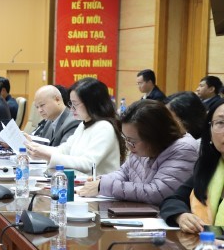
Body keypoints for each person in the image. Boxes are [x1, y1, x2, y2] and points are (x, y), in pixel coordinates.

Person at [77, 100, 197, 205]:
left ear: (155, 136)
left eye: (132, 141)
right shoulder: (142, 148)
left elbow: (157, 192)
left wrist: (104, 186)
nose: (128, 145)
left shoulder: (183, 149)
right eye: (125, 138)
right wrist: (100, 181)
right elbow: (124, 173)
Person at [26, 77, 125, 175]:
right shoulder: (83, 124)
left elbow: (88, 164)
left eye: (75, 104)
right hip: (82, 182)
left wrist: (47, 155)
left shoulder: (104, 127)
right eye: (70, 103)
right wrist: (33, 146)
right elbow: (64, 150)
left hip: (99, 184)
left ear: (91, 104)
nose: (71, 108)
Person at [160, 99, 224, 233]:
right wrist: (181, 216)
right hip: (205, 243)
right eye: (221, 123)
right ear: (210, 130)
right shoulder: (209, 166)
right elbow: (174, 200)